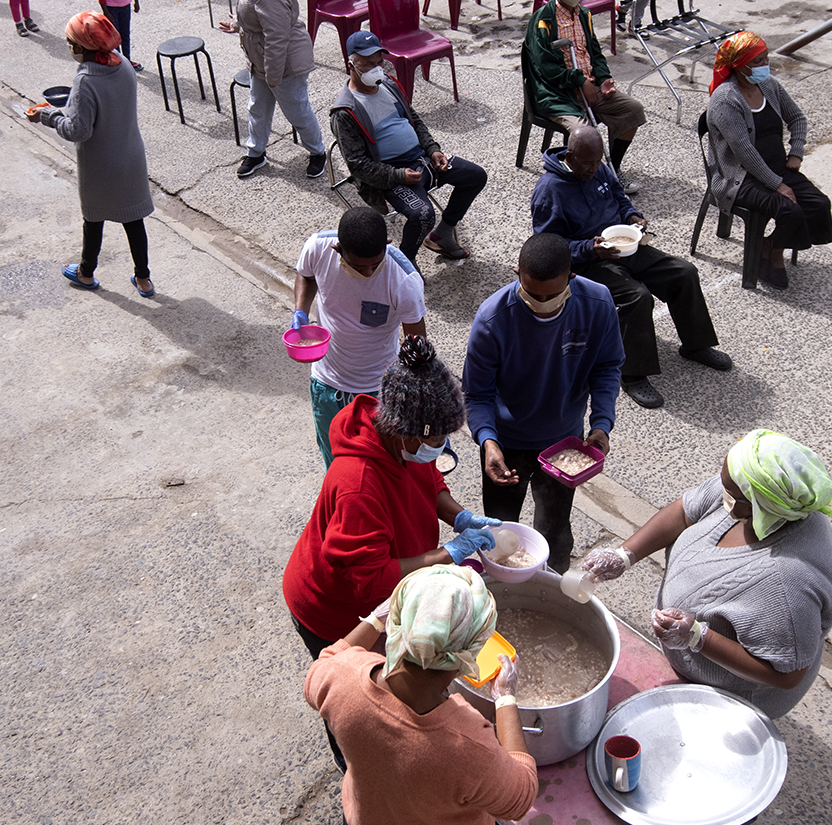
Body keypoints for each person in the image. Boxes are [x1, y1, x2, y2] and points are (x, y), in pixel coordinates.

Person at [572, 430, 832, 825]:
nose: (721, 494)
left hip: (734, 689)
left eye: (731, 492)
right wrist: (624, 555)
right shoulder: (743, 491)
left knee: (713, 763)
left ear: (763, 504)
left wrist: (699, 637)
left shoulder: (787, 583)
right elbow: (683, 512)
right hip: (693, 662)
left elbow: (787, 674)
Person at [282, 336, 503, 662]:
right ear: (405, 432)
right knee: (358, 695)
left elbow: (431, 479)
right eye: (437, 438)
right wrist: (449, 553)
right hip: (336, 610)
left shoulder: (406, 443)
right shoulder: (357, 486)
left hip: (382, 589)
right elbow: (371, 579)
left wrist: (459, 516)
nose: (440, 448)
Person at [304, 565, 535, 825]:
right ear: (472, 654)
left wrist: (377, 617)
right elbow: (521, 795)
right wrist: (505, 697)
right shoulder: (467, 743)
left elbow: (330, 658)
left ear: (400, 622)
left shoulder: (342, 677)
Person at [533, 125, 729, 410]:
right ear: (570, 155)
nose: (593, 169)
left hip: (624, 245)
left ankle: (696, 344)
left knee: (683, 272)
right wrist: (589, 248)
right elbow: (549, 244)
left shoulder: (598, 168)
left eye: (597, 161)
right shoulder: (549, 190)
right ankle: (633, 373)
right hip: (588, 261)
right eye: (587, 163)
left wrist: (632, 216)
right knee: (637, 297)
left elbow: (620, 196)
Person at [462, 232, 624, 571]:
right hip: (506, 446)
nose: (542, 301)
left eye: (553, 294)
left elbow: (607, 366)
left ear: (572, 277)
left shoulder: (597, 303)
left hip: (564, 444)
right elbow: (477, 394)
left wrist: (601, 424)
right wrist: (488, 442)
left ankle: (553, 588)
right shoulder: (493, 318)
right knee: (500, 532)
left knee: (554, 530)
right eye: (532, 293)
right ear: (518, 275)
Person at [332, 32, 487, 263]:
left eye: (379, 62)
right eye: (367, 65)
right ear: (351, 65)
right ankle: (405, 262)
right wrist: (398, 175)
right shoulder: (345, 111)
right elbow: (358, 166)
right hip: (391, 175)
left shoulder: (389, 84)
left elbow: (414, 120)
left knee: (475, 176)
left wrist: (433, 149)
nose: (376, 69)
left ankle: (442, 235)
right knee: (423, 215)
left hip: (422, 158)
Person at [291, 206, 428, 467]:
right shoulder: (318, 247)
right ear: (337, 249)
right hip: (326, 383)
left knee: (381, 465)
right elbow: (306, 276)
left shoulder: (404, 281)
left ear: (387, 245)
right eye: (358, 267)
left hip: (377, 390)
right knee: (337, 463)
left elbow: (416, 347)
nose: (367, 274)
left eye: (376, 265)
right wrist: (300, 310)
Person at [32, 12, 157, 297]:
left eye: (70, 41)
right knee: (133, 219)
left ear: (81, 47)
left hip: (100, 164)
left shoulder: (86, 81)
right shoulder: (124, 64)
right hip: (130, 155)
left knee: (93, 219)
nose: (68, 46)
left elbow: (78, 130)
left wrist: (49, 115)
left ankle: (86, 273)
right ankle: (144, 279)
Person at [705, 32, 832, 288]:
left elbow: (797, 118)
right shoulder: (725, 99)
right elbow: (744, 151)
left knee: (819, 205)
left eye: (766, 59)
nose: (766, 66)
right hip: (740, 179)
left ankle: (771, 245)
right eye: (758, 61)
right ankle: (773, 255)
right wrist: (778, 184)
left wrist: (796, 151)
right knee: (790, 210)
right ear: (740, 66)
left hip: (777, 168)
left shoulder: (769, 85)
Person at [523, 0, 649, 190]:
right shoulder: (543, 20)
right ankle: (588, 183)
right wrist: (579, 80)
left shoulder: (584, 14)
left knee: (632, 109)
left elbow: (595, 53)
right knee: (586, 134)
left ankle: (611, 172)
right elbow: (546, 68)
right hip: (559, 94)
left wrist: (603, 79)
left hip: (589, 87)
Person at [224, 0, 327, 180]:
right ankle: (256, 153)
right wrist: (239, 24)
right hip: (264, 58)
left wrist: (273, 75)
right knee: (257, 107)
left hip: (282, 62)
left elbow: (277, 35)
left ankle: (317, 152)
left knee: (297, 110)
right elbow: (258, 15)